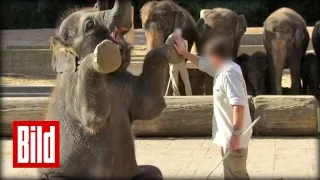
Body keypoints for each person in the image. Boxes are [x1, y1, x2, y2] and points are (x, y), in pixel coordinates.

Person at [173, 36, 252, 180]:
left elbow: (238, 105)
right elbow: (201, 63)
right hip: (229, 137)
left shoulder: (229, 74)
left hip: (234, 139)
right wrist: (184, 53)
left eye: (209, 56)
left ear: (216, 56)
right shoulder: (223, 68)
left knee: (237, 176)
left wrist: (236, 134)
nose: (207, 59)